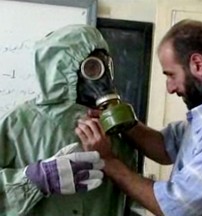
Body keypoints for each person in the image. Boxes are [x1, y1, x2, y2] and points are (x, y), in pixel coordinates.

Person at [75, 19, 202, 216]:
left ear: (198, 64)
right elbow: (165, 146)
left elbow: (172, 207)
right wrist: (123, 121)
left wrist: (106, 160)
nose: (170, 88)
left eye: (171, 75)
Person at [0, 24, 141, 216]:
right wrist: (33, 180)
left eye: (107, 67)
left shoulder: (114, 131)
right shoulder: (18, 124)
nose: (105, 79)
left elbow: (129, 203)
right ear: (62, 69)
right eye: (93, 68)